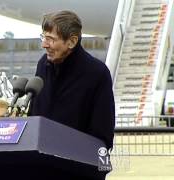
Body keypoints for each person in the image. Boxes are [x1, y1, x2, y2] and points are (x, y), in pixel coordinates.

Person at [28, 10, 115, 179]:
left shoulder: (97, 73)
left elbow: (102, 134)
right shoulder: (43, 64)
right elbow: (35, 115)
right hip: (41, 168)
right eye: (43, 37)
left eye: (51, 39)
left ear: (72, 41)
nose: (44, 44)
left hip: (78, 171)